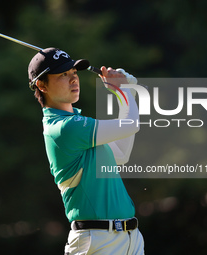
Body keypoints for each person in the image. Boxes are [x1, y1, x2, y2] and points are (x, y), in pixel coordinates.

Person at [28, 47, 144, 255]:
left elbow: (121, 153)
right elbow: (130, 124)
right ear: (41, 85)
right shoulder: (64, 128)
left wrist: (125, 92)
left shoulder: (77, 126)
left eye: (74, 73)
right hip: (97, 242)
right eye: (63, 75)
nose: (74, 80)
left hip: (129, 239)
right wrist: (124, 90)